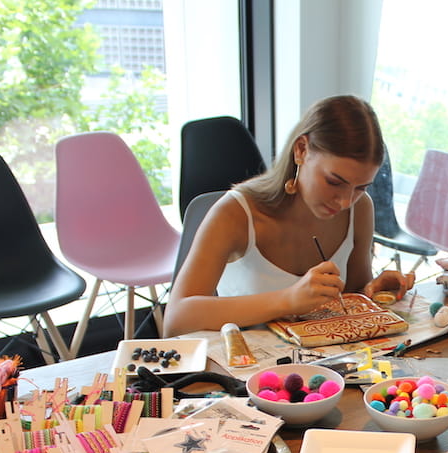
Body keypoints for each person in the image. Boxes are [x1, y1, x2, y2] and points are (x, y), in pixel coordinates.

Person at [164, 95, 406, 336]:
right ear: (301, 150)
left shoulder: (360, 208)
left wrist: (375, 291)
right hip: (248, 367)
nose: (345, 201)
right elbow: (176, 320)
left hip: (330, 364)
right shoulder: (236, 213)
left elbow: (352, 295)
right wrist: (288, 299)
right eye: (334, 182)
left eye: (361, 187)